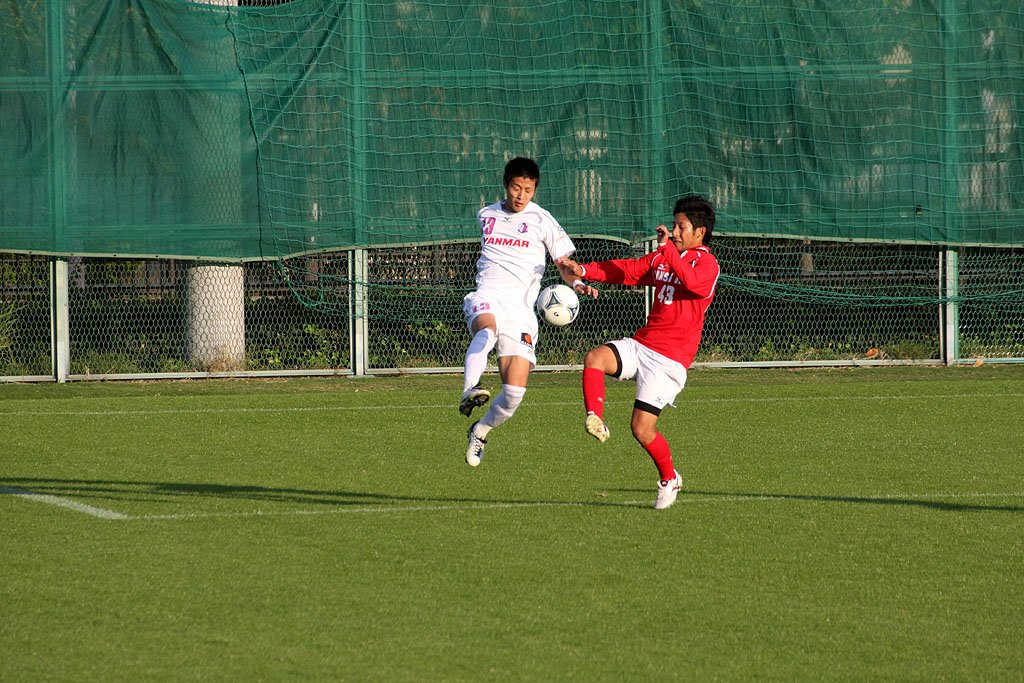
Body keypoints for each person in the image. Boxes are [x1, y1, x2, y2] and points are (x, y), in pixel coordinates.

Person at [557, 194, 719, 509]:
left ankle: (670, 478)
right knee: (595, 358)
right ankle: (594, 417)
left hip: (669, 361)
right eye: (674, 225)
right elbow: (627, 270)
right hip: (643, 344)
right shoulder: (664, 257)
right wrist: (584, 270)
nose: (675, 231)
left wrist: (667, 251)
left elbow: (693, 283)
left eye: (681, 227)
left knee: (642, 429)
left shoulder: (706, 264)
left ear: (700, 232)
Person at [460, 157, 597, 467]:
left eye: (527, 190)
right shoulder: (487, 215)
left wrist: (577, 284)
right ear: (505, 185)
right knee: (486, 330)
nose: (520, 195)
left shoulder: (542, 219)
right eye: (515, 188)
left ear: (535, 190)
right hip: (487, 296)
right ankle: (470, 389)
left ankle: (480, 430)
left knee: (513, 394)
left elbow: (563, 263)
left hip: (521, 312)